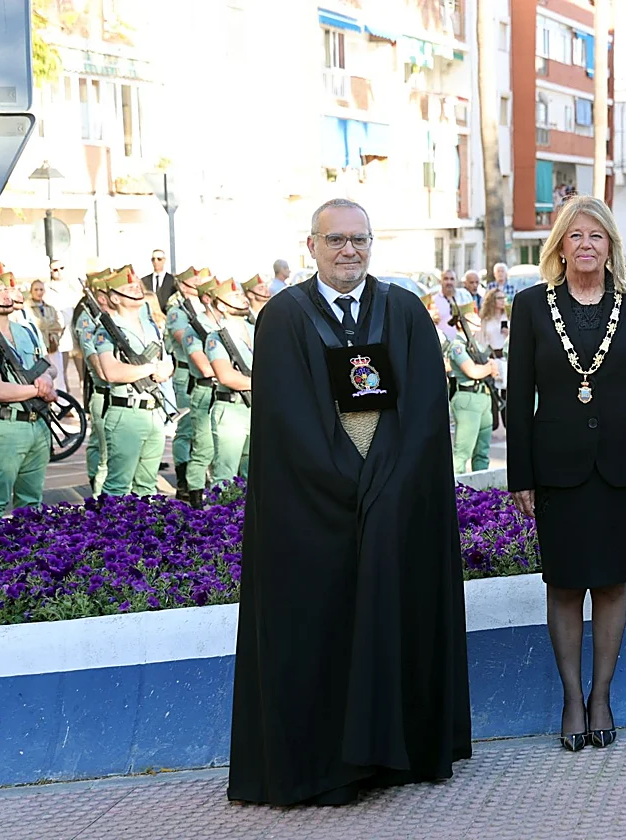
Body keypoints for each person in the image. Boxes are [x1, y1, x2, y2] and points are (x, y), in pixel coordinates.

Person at [228, 198, 470, 807]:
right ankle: (327, 766)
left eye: (359, 239)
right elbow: (286, 423)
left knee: (395, 618)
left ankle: (396, 757)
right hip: (318, 512)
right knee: (323, 630)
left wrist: (386, 482)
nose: (348, 251)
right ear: (311, 246)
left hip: (392, 507)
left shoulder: (404, 311)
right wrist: (346, 482)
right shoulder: (283, 318)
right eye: (335, 240)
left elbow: (421, 414)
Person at [507, 195, 626, 751]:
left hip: (624, 469)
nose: (585, 245)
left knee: (610, 584)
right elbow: (519, 396)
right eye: (575, 236)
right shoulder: (531, 306)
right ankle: (571, 699)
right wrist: (520, 477)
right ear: (559, 245)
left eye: (595, 236)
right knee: (564, 584)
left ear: (610, 247)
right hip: (557, 471)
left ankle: (602, 696)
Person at [93, 268, 175, 498]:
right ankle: (113, 532)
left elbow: (166, 360)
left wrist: (165, 370)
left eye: (137, 286)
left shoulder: (150, 325)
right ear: (115, 298)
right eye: (129, 288)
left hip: (154, 410)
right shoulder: (107, 330)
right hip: (126, 412)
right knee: (118, 486)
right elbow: (110, 371)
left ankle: (144, 531)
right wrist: (149, 369)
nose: (136, 289)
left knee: (148, 486)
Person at [0, 266, 56, 520]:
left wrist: (46, 380)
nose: (6, 295)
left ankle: (28, 556)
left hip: (37, 424)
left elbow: (48, 367)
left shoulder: (25, 331)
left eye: (6, 289)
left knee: (31, 505)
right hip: (3, 425)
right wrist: (38, 389)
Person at [166, 268, 220, 507]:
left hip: (209, 376)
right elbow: (182, 338)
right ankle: (184, 481)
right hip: (187, 373)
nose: (199, 283)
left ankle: (200, 479)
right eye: (194, 280)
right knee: (188, 428)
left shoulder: (204, 312)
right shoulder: (179, 313)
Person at [204, 279, 254, 483]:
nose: (242, 299)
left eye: (241, 294)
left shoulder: (258, 329)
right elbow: (226, 376)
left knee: (257, 476)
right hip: (232, 410)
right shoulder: (217, 338)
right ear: (221, 305)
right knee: (225, 478)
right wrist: (269, 383)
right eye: (234, 296)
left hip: (258, 408)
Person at [74, 274, 113, 496]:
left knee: (102, 446)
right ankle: (100, 503)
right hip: (105, 393)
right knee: (105, 456)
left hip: (119, 393)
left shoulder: (113, 318)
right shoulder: (88, 321)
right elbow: (100, 368)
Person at [447, 310, 498, 474]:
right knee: (462, 452)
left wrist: (489, 368)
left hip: (483, 396)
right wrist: (488, 368)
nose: (477, 320)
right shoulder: (458, 347)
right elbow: (473, 372)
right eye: (471, 318)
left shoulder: (476, 346)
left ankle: (481, 487)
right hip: (467, 398)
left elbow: (493, 368)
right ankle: (457, 491)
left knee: (482, 451)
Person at [26, 280, 65, 389]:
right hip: (37, 348)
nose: (39, 292)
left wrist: (47, 327)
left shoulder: (50, 308)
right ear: (31, 291)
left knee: (58, 376)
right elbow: (35, 324)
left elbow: (58, 325)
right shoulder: (27, 308)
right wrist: (48, 324)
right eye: (36, 289)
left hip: (52, 346)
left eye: (41, 289)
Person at [433, 269, 472, 343]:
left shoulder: (465, 295)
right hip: (443, 345)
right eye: (446, 279)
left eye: (452, 279)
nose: (449, 282)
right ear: (440, 281)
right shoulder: (434, 301)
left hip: (464, 344)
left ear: (456, 281)